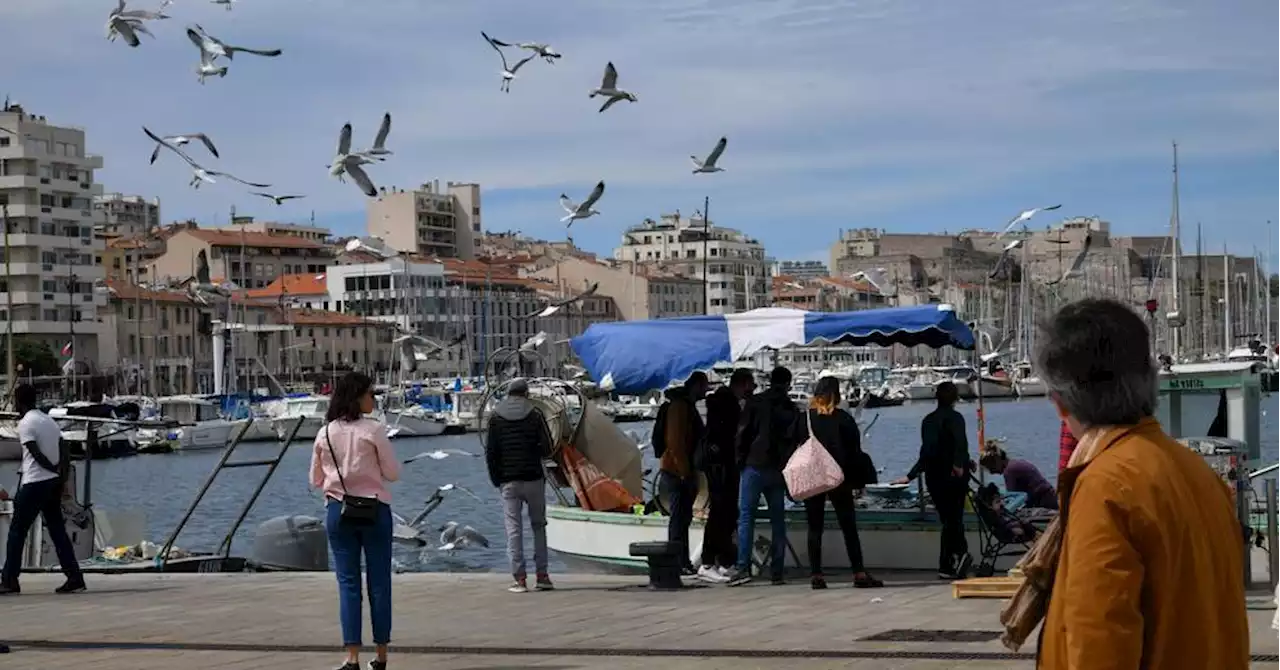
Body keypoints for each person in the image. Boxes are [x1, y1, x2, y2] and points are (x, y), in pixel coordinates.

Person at [1030, 299, 1248, 668]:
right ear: (1149, 380)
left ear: (1060, 403)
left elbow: (1100, 641)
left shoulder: (1104, 486)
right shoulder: (1197, 471)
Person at [309, 372, 401, 670]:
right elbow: (392, 473)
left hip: (339, 511)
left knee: (347, 584)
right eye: (370, 393)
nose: (373, 398)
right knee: (379, 584)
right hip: (374, 511)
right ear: (357, 396)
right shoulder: (374, 431)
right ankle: (382, 654)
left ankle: (351, 657)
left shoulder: (325, 433)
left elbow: (315, 479)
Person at [793, 376, 883, 590]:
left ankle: (816, 574)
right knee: (848, 526)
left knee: (814, 527)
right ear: (836, 394)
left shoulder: (804, 418)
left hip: (813, 476)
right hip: (839, 478)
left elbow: (795, 445)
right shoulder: (843, 419)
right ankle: (859, 572)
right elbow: (854, 452)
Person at [1, 384, 85, 596]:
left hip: (35, 481)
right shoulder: (48, 421)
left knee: (17, 530)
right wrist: (60, 475)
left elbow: (35, 453)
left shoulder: (26, 423)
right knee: (57, 529)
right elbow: (64, 449)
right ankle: (74, 577)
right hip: (52, 483)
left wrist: (51, 468)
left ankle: (10, 579)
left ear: (19, 402)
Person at [726, 366, 801, 586]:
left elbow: (742, 433)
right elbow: (795, 439)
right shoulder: (791, 408)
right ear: (788, 383)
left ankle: (743, 567)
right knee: (778, 519)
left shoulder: (755, 403)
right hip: (777, 468)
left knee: (746, 517)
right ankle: (777, 571)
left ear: (770, 380)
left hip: (754, 464)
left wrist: (740, 461)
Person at [893, 381, 972, 579]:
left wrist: (911, 475)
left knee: (948, 519)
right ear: (955, 398)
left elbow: (927, 452)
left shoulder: (928, 421)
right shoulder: (956, 418)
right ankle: (955, 558)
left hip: (934, 477)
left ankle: (955, 560)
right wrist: (961, 464)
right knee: (955, 519)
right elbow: (960, 443)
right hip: (955, 477)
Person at [485, 378, 554, 593]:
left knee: (513, 530)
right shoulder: (535, 414)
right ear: (526, 393)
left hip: (508, 481)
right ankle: (542, 576)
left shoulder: (495, 417)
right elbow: (548, 447)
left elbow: (491, 453)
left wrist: (497, 479)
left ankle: (520, 579)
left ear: (508, 393)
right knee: (539, 526)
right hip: (534, 478)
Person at [696, 368, 755, 583]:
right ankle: (709, 561)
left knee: (727, 512)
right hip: (722, 465)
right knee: (721, 512)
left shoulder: (721, 403)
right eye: (751, 385)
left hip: (721, 464)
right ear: (742, 384)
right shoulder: (728, 405)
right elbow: (732, 434)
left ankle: (721, 560)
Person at [652, 371, 709, 575]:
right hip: (677, 472)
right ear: (695, 386)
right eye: (704, 386)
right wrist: (685, 472)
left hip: (679, 471)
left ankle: (682, 561)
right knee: (678, 519)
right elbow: (675, 442)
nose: (706, 390)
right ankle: (676, 562)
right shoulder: (680, 407)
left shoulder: (684, 406)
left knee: (682, 518)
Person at [979, 444, 1057, 510]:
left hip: (1046, 502)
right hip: (1051, 497)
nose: (992, 472)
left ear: (997, 460)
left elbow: (1013, 501)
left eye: (991, 467)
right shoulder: (1015, 463)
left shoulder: (1009, 471)